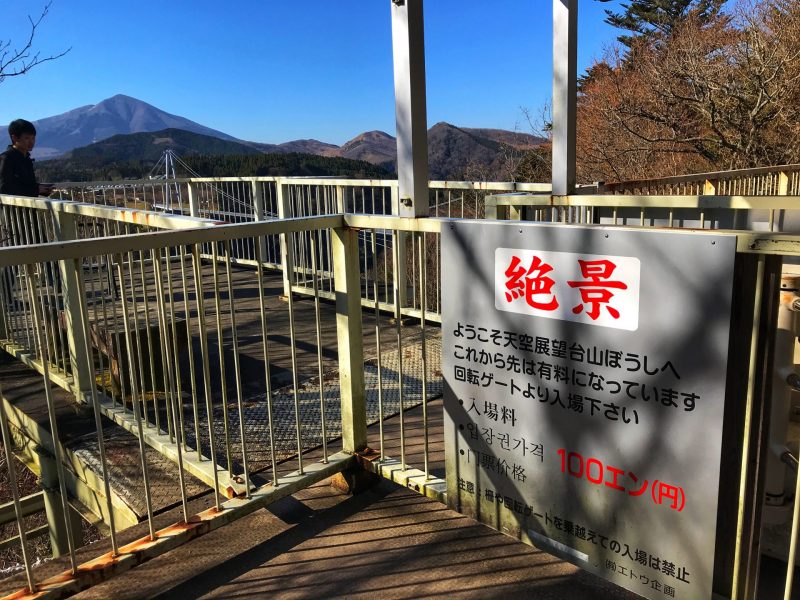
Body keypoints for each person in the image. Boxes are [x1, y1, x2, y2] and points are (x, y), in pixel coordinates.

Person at [0, 119, 53, 197]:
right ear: (14, 138)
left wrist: (41, 189)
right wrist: (36, 190)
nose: (31, 142)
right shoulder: (6, 158)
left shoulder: (27, 159)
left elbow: (24, 184)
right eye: (27, 138)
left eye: (33, 138)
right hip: (13, 208)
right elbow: (4, 188)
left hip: (28, 208)